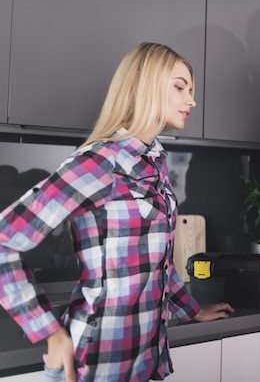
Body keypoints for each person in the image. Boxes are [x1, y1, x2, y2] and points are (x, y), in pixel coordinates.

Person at [0, 42, 234, 382]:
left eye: (191, 90)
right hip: (96, 360)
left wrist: (190, 310)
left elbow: (157, 262)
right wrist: (49, 332)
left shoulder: (153, 164)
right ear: (145, 86)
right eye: (180, 87)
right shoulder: (99, 163)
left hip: (142, 357)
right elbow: (5, 241)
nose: (192, 100)